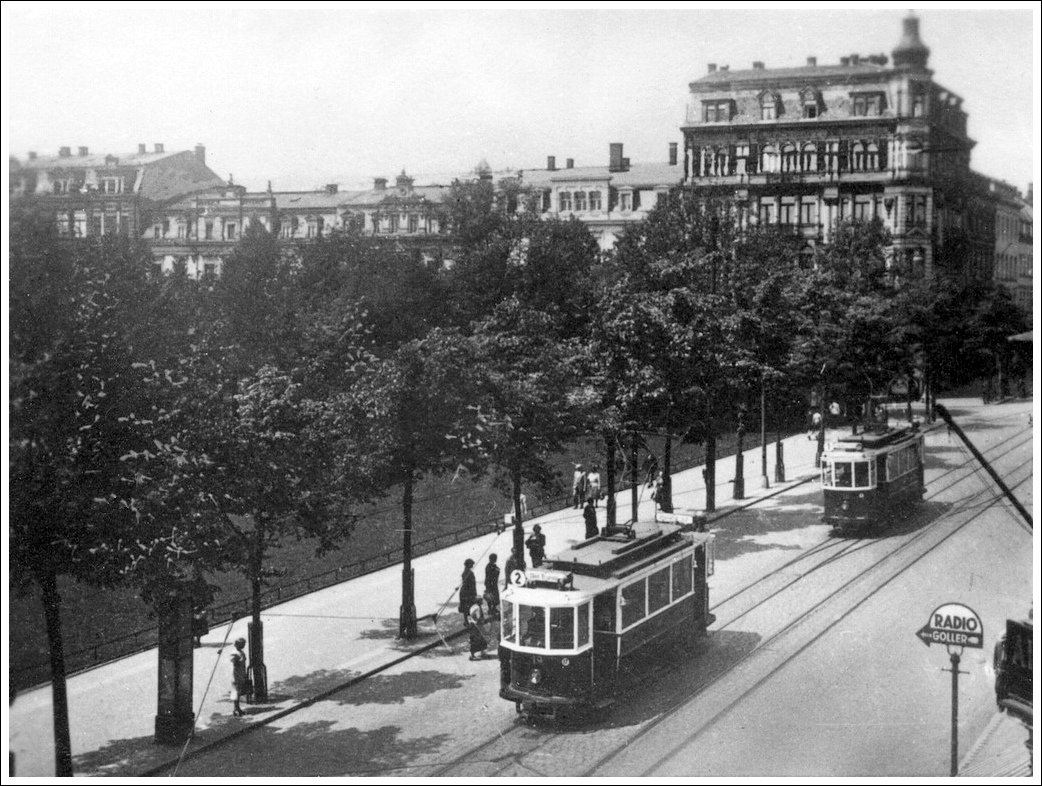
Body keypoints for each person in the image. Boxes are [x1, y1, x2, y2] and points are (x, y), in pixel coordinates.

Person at [229, 637, 249, 717]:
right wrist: (242, 659)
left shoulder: (240, 651)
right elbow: (235, 664)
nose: (244, 645)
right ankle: (236, 709)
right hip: (236, 675)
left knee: (238, 692)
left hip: (240, 674)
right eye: (243, 644)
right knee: (236, 692)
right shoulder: (234, 653)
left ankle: (237, 708)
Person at [458, 558, 478, 627]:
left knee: (467, 608)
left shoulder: (466, 572)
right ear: (468, 565)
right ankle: (468, 621)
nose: (472, 565)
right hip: (468, 592)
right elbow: (472, 585)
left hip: (465, 592)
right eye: (471, 564)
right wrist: (474, 594)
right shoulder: (468, 573)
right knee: (468, 607)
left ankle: (467, 621)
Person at [484, 554, 500, 619]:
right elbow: (493, 575)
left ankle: (492, 609)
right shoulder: (490, 567)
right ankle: (491, 609)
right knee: (492, 597)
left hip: (491, 583)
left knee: (493, 597)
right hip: (491, 584)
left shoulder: (489, 566)